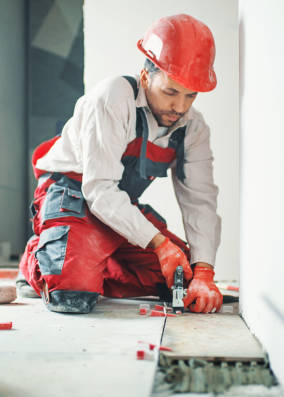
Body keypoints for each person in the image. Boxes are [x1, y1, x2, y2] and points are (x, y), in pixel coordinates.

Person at [18, 14, 223, 314]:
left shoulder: (193, 128)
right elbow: (99, 189)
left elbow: (200, 201)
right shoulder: (113, 98)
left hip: (116, 207)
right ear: (145, 78)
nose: (179, 107)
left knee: (180, 279)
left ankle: (91, 256)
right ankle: (40, 259)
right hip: (70, 193)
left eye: (190, 95)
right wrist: (158, 243)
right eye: (170, 92)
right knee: (72, 294)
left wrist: (204, 272)